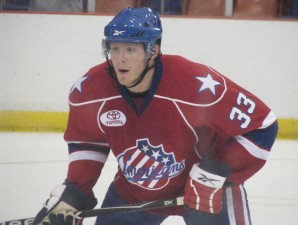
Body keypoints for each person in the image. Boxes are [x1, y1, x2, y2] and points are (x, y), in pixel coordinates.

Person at [33, 7, 278, 225]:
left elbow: (263, 125)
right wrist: (76, 190)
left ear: (154, 50)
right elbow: (89, 141)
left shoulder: (195, 84)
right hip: (136, 190)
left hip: (209, 191)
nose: (120, 58)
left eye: (130, 49)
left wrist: (213, 175)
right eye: (114, 48)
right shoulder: (90, 90)